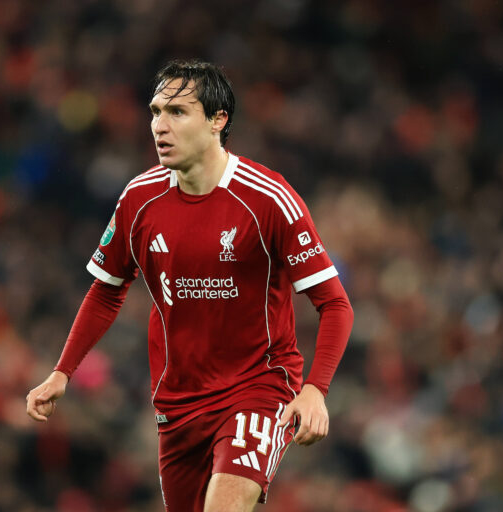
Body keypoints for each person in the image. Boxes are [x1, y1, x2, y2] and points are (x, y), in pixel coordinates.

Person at [26, 59, 354, 512]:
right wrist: (62, 371)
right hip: (178, 405)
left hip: (258, 388)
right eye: (155, 111)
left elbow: (335, 304)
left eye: (177, 112)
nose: (160, 125)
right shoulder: (139, 200)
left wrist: (315, 389)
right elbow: (106, 289)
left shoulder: (268, 198)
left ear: (218, 120)